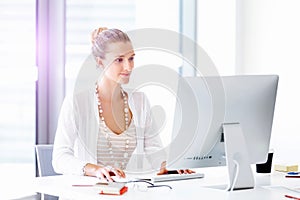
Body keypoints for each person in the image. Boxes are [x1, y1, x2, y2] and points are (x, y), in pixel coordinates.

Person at [52, 27, 194, 182]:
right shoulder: (77, 102)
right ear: (100, 62)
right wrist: (95, 170)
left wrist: (168, 167)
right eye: (119, 60)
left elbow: (153, 149)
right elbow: (60, 158)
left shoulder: (140, 101)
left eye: (131, 58)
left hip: (125, 192)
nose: (128, 67)